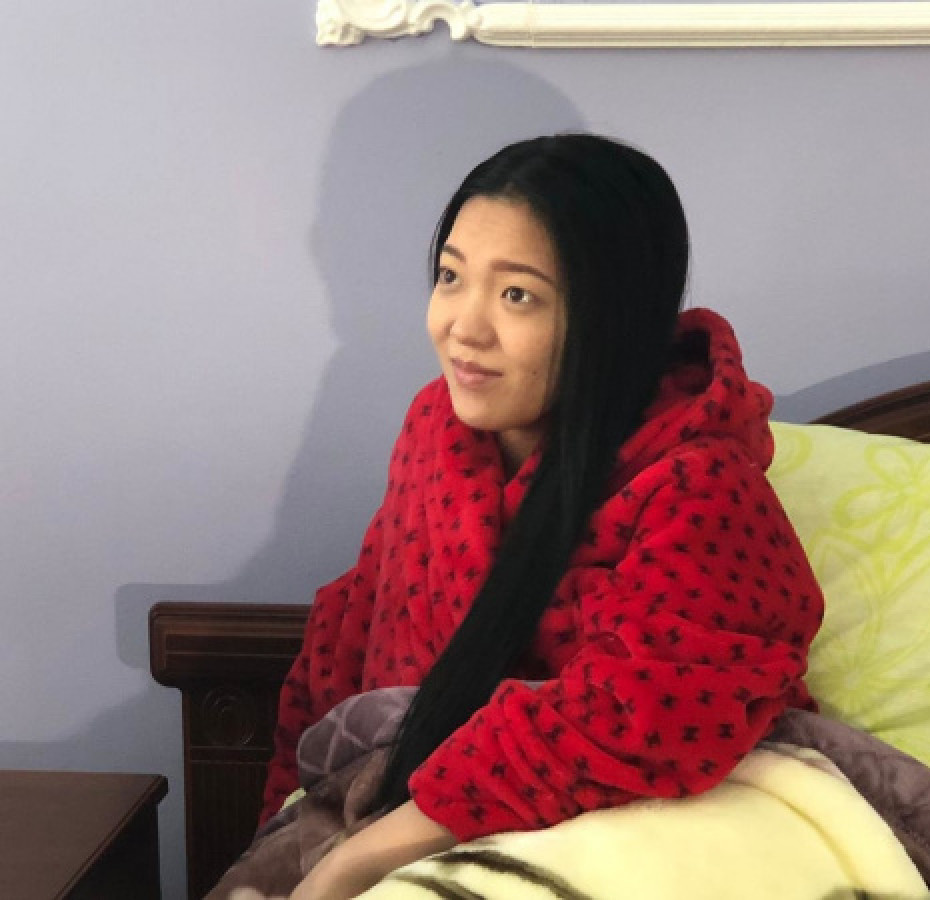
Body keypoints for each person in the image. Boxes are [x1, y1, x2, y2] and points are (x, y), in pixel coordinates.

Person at [260, 133, 825, 899]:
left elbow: (646, 709)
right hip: (405, 800)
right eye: (451, 277)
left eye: (517, 295)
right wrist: (285, 834)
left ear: (610, 317)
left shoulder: (703, 488)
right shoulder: (436, 430)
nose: (464, 326)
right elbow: (352, 627)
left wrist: (360, 858)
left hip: (645, 831)